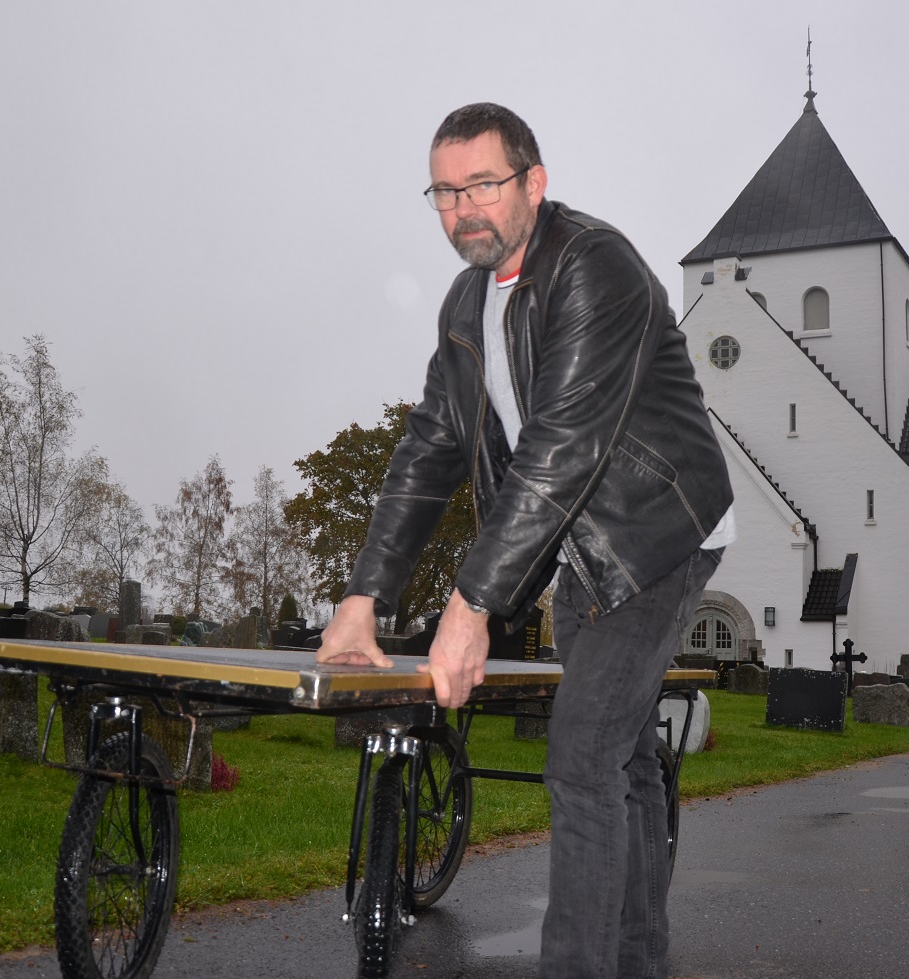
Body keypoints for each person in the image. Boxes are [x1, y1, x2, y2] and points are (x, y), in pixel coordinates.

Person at [317, 102, 734, 979]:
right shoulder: (466, 302)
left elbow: (561, 446)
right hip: (575, 539)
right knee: (618, 756)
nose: (463, 209)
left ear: (534, 183)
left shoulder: (595, 267)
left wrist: (473, 603)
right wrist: (364, 597)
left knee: (581, 753)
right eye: (443, 191)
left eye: (483, 185)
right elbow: (430, 445)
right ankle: (636, 960)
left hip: (660, 527)